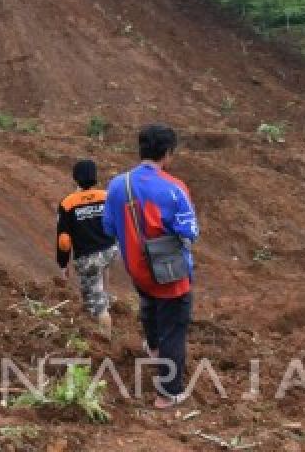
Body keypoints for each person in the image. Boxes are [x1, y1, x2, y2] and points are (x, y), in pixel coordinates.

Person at [103, 123, 199, 409]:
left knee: (149, 302)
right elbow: (189, 231)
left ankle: (152, 346)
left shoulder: (118, 184)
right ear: (167, 153)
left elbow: (108, 228)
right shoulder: (174, 187)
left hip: (136, 267)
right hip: (168, 272)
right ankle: (167, 393)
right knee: (175, 328)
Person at [56, 159, 118, 340]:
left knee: (97, 306)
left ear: (75, 178)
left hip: (88, 257)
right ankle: (105, 294)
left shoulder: (68, 203)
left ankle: (106, 339)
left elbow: (64, 240)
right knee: (103, 263)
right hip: (111, 250)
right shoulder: (107, 196)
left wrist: (63, 263)